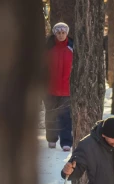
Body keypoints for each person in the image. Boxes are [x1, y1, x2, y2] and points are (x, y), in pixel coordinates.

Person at [45, 22, 74, 151]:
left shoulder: (72, 48)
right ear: (55, 34)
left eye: (63, 33)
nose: (61, 35)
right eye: (58, 33)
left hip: (67, 89)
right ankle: (51, 138)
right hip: (50, 89)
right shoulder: (48, 48)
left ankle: (66, 141)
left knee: (66, 116)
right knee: (51, 114)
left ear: (66, 33)